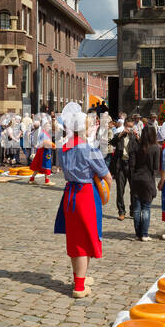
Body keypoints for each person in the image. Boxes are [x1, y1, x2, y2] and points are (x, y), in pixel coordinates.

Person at [53, 103, 109, 299]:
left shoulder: (64, 147)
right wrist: (106, 192)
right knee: (85, 241)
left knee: (75, 238)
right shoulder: (89, 148)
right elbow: (106, 175)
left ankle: (80, 277)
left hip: (69, 194)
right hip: (86, 193)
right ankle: (79, 286)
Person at [128, 122, 160, 240]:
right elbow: (156, 167)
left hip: (136, 178)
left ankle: (138, 234)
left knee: (137, 208)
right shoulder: (156, 147)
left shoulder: (137, 146)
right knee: (146, 207)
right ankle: (145, 234)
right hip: (147, 179)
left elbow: (132, 164)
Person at [30, 116, 55, 184]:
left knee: (39, 165)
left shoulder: (43, 132)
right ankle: (47, 181)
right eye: (47, 126)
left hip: (42, 150)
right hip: (44, 151)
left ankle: (32, 179)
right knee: (46, 164)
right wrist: (51, 146)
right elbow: (43, 143)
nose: (48, 127)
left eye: (49, 126)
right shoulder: (43, 133)